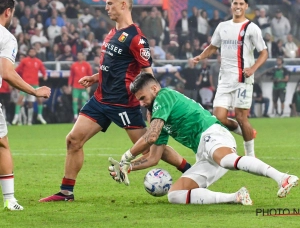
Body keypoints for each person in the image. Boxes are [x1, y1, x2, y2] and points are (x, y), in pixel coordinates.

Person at [39, 0, 191, 202]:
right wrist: (95, 77)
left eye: (110, 3)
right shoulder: (112, 33)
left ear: (123, 5)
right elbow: (112, 67)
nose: (106, 7)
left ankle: (189, 169)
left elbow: (148, 75)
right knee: (73, 140)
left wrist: (153, 106)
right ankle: (66, 192)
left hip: (124, 104)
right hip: (100, 100)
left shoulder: (137, 38)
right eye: (106, 3)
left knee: (151, 148)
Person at [109, 73, 299, 206]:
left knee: (226, 160)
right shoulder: (157, 114)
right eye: (139, 101)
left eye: (142, 98)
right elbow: (153, 157)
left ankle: (282, 177)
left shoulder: (164, 96)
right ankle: (236, 197)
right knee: (175, 195)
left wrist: (126, 155)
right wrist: (129, 167)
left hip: (212, 134)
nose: (141, 104)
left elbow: (150, 136)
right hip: (204, 152)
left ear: (154, 88)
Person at [192, 0, 268, 157]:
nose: (238, 6)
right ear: (231, 5)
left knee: (241, 117)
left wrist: (253, 69)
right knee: (218, 117)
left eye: (241, 3)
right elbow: (213, 47)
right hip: (224, 80)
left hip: (243, 79)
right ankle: (247, 132)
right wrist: (200, 56)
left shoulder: (252, 28)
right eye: (235, 3)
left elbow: (264, 53)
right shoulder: (222, 26)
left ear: (246, 6)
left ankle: (250, 156)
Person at [0, 0, 51, 210]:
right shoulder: (6, 37)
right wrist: (35, 91)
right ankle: (10, 199)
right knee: (2, 145)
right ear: (8, 12)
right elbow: (7, 72)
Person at [11, 48, 48, 125]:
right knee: (20, 99)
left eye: (33, 51)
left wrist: (45, 75)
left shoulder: (38, 62)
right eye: (31, 51)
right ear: (28, 53)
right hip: (25, 84)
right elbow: (17, 70)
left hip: (35, 84)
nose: (32, 52)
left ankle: (39, 115)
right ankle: (16, 116)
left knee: (39, 100)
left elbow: (43, 70)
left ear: (35, 52)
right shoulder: (24, 61)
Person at [68, 52, 93, 122]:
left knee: (83, 102)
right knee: (74, 101)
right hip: (75, 86)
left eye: (80, 55)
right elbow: (71, 76)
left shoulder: (87, 65)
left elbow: (90, 76)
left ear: (83, 56)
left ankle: (83, 116)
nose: (79, 56)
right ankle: (75, 116)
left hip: (84, 87)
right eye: (78, 55)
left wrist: (89, 86)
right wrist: (69, 85)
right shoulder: (74, 65)